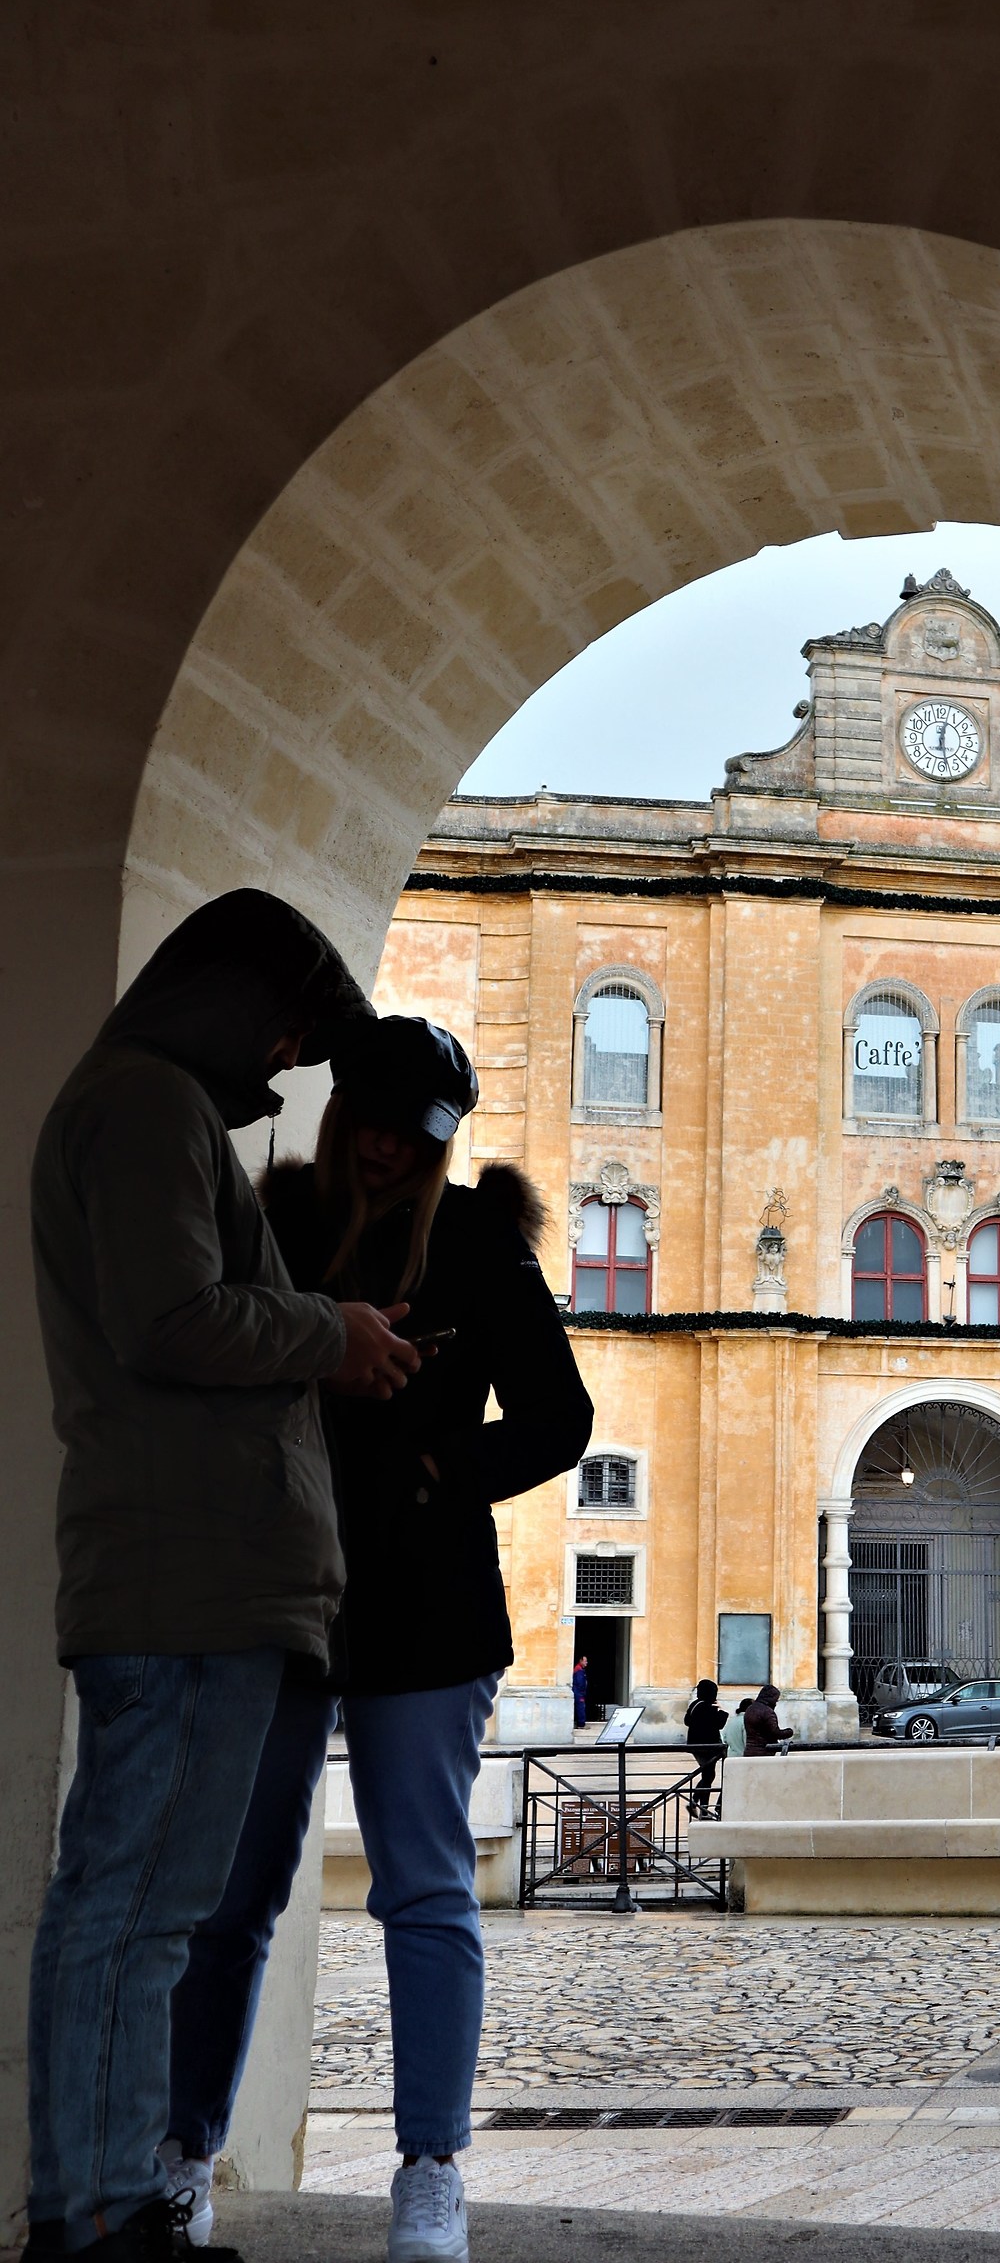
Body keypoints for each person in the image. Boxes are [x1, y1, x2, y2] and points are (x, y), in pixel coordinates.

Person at [161, 1015, 593, 2263]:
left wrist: (440, 1467)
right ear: (344, 1108)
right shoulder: (276, 1224)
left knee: (426, 1888)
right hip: (275, 1589)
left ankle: (430, 2174)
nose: (396, 1147)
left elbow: (559, 1418)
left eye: (423, 1130)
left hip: (426, 1600)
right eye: (381, 1118)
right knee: (233, 1892)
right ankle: (184, 2154)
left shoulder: (478, 1245)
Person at [26, 890, 414, 2263]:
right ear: (233, 997)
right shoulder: (144, 1109)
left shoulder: (151, 1107)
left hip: (193, 1576)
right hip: (184, 1576)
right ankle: (93, 2214)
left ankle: (108, 2201)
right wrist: (334, 1330)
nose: (290, 1060)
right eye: (289, 1027)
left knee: (146, 1912)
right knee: (134, 1910)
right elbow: (170, 1316)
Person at [683, 1680, 728, 1817]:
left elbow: (687, 1721)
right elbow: (719, 1724)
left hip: (696, 1746)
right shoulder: (709, 1706)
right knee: (708, 1776)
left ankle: (698, 1806)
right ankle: (700, 1807)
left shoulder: (695, 1704)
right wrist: (722, 1711)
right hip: (709, 1747)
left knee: (707, 1775)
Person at [743, 1684, 793, 1756]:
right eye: (776, 1700)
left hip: (749, 1750)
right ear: (771, 1698)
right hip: (764, 1752)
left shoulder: (750, 1709)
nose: (776, 1703)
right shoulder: (767, 1712)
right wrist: (789, 1732)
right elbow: (775, 1733)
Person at [572, 1654, 589, 1730]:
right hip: (579, 1692)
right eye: (585, 1661)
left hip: (578, 1691)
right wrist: (582, 1691)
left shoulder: (579, 1669)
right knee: (580, 1707)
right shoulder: (579, 1669)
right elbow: (580, 1682)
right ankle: (581, 1724)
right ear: (581, 1661)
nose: (586, 1663)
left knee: (580, 1707)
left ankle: (580, 1723)